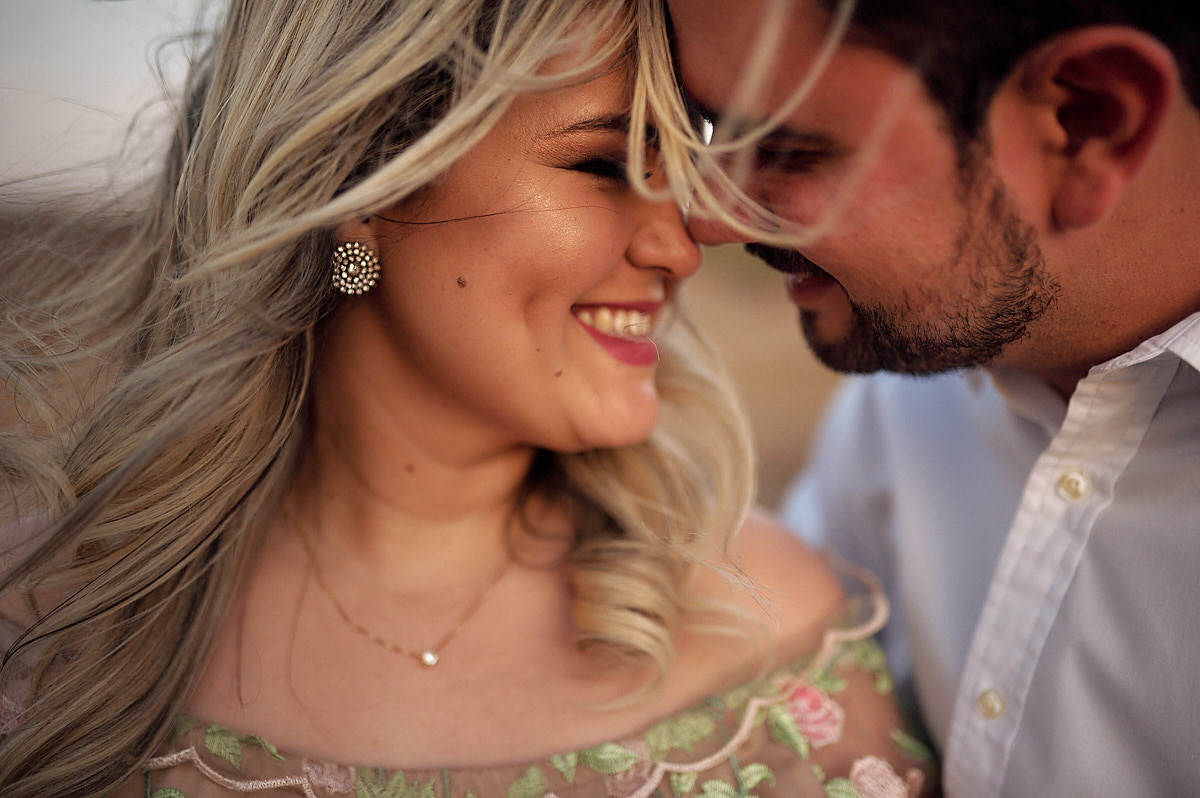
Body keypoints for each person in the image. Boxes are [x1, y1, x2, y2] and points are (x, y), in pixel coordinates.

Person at [0, 1, 936, 796]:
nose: (681, 245)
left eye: (677, 173)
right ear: (362, 180)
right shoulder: (45, 633)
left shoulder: (770, 637)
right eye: (605, 167)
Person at [661, 0, 1200, 796]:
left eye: (788, 147)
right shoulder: (918, 381)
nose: (704, 217)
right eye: (710, 130)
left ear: (1088, 122)